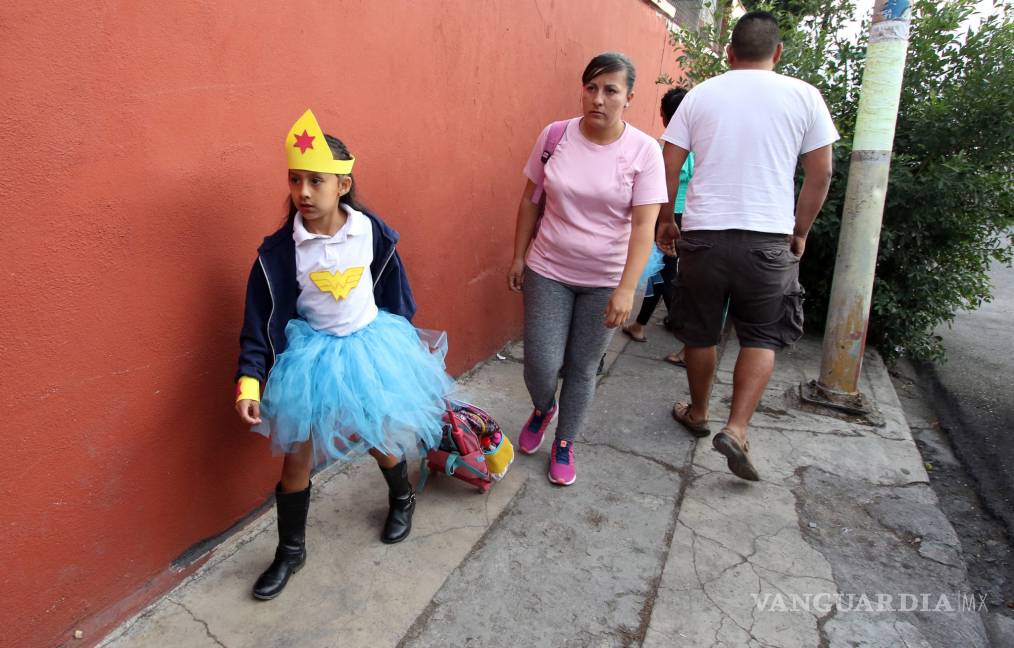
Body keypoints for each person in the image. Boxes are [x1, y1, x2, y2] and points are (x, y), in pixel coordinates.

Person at [235, 109, 454, 599]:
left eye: (316, 181)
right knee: (296, 457)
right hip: (310, 361)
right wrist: (250, 380)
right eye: (295, 180)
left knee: (377, 435)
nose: (304, 192)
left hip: (369, 349)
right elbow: (258, 322)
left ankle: (402, 496)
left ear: (343, 185)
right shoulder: (279, 253)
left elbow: (395, 291)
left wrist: (403, 346)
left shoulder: (371, 232)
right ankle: (290, 551)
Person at [657, 11, 837, 481]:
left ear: (729, 52)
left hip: (704, 236)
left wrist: (666, 219)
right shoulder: (805, 96)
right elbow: (821, 173)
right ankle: (737, 429)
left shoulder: (701, 95)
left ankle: (699, 412)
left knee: (700, 331)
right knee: (761, 335)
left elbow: (668, 164)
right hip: (769, 238)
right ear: (778, 52)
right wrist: (800, 230)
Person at [507, 52, 668, 486]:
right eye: (591, 88)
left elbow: (644, 226)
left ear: (629, 98)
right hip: (549, 269)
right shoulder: (555, 135)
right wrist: (519, 255)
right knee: (541, 362)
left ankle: (565, 442)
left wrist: (626, 289)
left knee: (582, 366)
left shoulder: (644, 151)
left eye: (610, 90)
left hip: (606, 280)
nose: (598, 99)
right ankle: (544, 407)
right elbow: (530, 200)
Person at [623, 87, 695, 368]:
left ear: (664, 116)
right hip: (688, 217)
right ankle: (640, 324)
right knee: (663, 272)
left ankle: (690, 337)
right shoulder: (698, 147)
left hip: (665, 216)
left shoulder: (665, 150)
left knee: (664, 274)